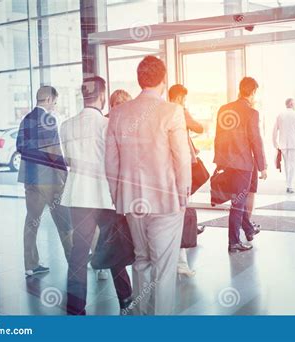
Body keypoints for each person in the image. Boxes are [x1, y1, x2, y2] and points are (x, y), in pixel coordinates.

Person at [105, 56, 191, 315]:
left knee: (141, 260)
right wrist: (183, 193)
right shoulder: (171, 111)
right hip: (165, 200)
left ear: (140, 80)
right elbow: (182, 157)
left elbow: (111, 162)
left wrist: (116, 195)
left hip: (132, 201)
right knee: (164, 267)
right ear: (163, 80)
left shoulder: (119, 113)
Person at [62, 78, 132, 315]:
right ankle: (125, 301)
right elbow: (116, 161)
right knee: (114, 249)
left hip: (78, 197)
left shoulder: (66, 125)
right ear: (102, 96)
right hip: (104, 197)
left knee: (78, 253)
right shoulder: (107, 125)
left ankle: (75, 309)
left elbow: (70, 161)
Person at [16, 86, 72, 277]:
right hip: (50, 180)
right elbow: (54, 152)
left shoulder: (26, 119)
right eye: (55, 102)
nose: (55, 106)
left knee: (31, 221)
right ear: (48, 100)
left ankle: (30, 265)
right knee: (64, 221)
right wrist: (65, 175)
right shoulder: (49, 119)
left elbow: (20, 147)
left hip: (31, 179)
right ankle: (74, 261)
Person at [214, 77, 266, 253]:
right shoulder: (252, 113)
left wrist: (219, 161)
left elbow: (218, 137)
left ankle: (249, 229)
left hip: (228, 163)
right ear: (252, 92)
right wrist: (262, 165)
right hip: (243, 165)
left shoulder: (224, 109)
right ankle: (234, 242)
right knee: (238, 203)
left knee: (239, 200)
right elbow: (255, 141)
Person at [91, 89, 133, 282]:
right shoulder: (106, 123)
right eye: (117, 104)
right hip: (106, 181)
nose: (121, 108)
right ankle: (103, 261)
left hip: (122, 182)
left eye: (124, 104)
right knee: (108, 225)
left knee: (119, 224)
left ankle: (115, 259)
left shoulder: (129, 123)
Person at [168, 84, 203, 278]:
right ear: (180, 97)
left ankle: (176, 260)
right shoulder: (179, 111)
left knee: (172, 213)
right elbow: (200, 127)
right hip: (180, 169)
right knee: (180, 210)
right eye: (184, 98)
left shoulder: (162, 111)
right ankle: (180, 262)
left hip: (166, 170)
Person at [272, 98, 295, 194]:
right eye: (294, 103)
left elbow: (274, 131)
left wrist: (275, 143)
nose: (294, 105)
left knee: (287, 165)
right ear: (291, 104)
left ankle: (288, 184)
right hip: (294, 144)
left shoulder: (280, 115)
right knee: (293, 165)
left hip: (283, 144)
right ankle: (289, 186)